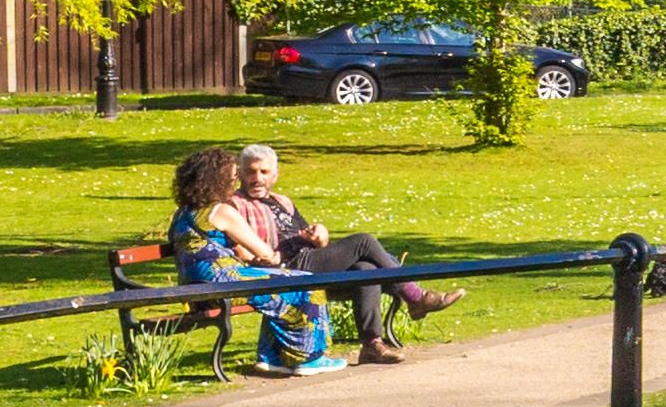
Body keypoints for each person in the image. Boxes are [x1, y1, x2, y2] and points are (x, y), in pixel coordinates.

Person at [227, 142, 462, 362]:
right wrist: (255, 259)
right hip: (284, 268)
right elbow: (234, 247)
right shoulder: (235, 204)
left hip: (308, 259)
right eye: (251, 172)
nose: (257, 178)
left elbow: (314, 241)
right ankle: (415, 296)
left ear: (275, 175)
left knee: (365, 269)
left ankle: (371, 345)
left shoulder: (283, 202)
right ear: (241, 174)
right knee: (363, 241)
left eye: (264, 172)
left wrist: (320, 235)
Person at [168, 144, 341, 375]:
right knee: (307, 283)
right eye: (232, 178)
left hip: (195, 288)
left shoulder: (183, 213)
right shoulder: (220, 211)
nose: (235, 182)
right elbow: (265, 253)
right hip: (224, 283)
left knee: (281, 286)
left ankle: (271, 357)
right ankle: (308, 358)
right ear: (216, 181)